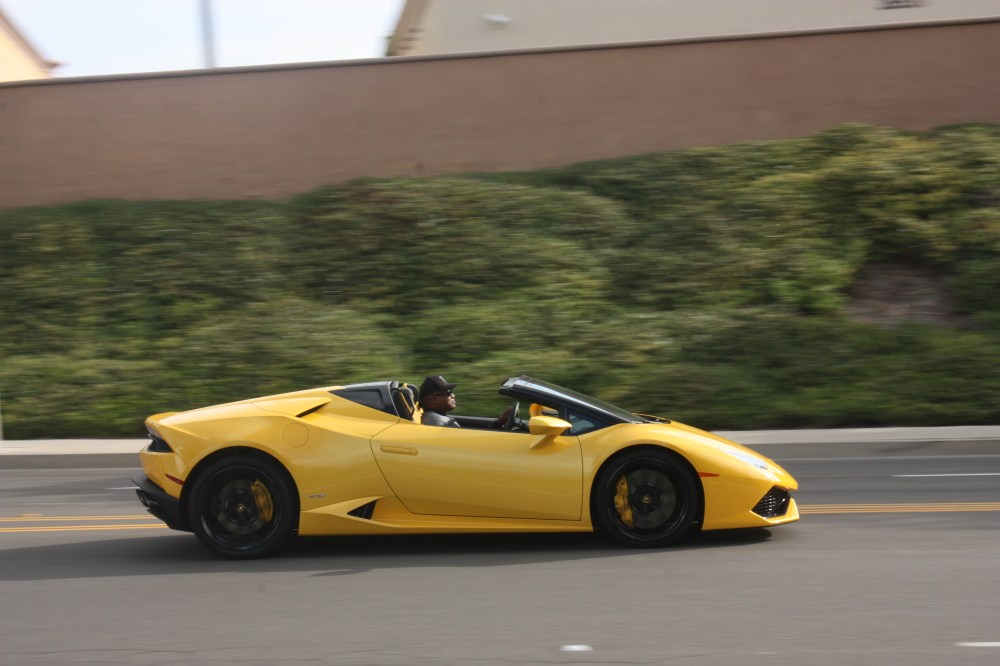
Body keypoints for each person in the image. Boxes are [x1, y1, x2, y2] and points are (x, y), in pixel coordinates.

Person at [418, 375, 513, 429]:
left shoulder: (440, 417)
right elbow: (471, 446)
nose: (453, 395)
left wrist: (499, 421)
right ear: (434, 399)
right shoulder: (437, 422)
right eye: (448, 392)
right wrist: (499, 422)